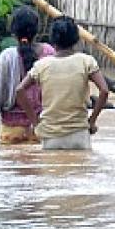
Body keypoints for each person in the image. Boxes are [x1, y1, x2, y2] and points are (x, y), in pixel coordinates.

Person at [16, 15, 108, 150]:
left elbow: (19, 90)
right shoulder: (86, 61)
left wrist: (36, 123)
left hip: (51, 136)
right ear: (76, 39)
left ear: (53, 39)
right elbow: (104, 91)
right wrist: (92, 121)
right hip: (79, 134)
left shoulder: (41, 65)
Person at [0, 5, 55, 144]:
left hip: (11, 130)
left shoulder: (6, 56)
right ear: (37, 30)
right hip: (41, 127)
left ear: (13, 31)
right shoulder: (49, 52)